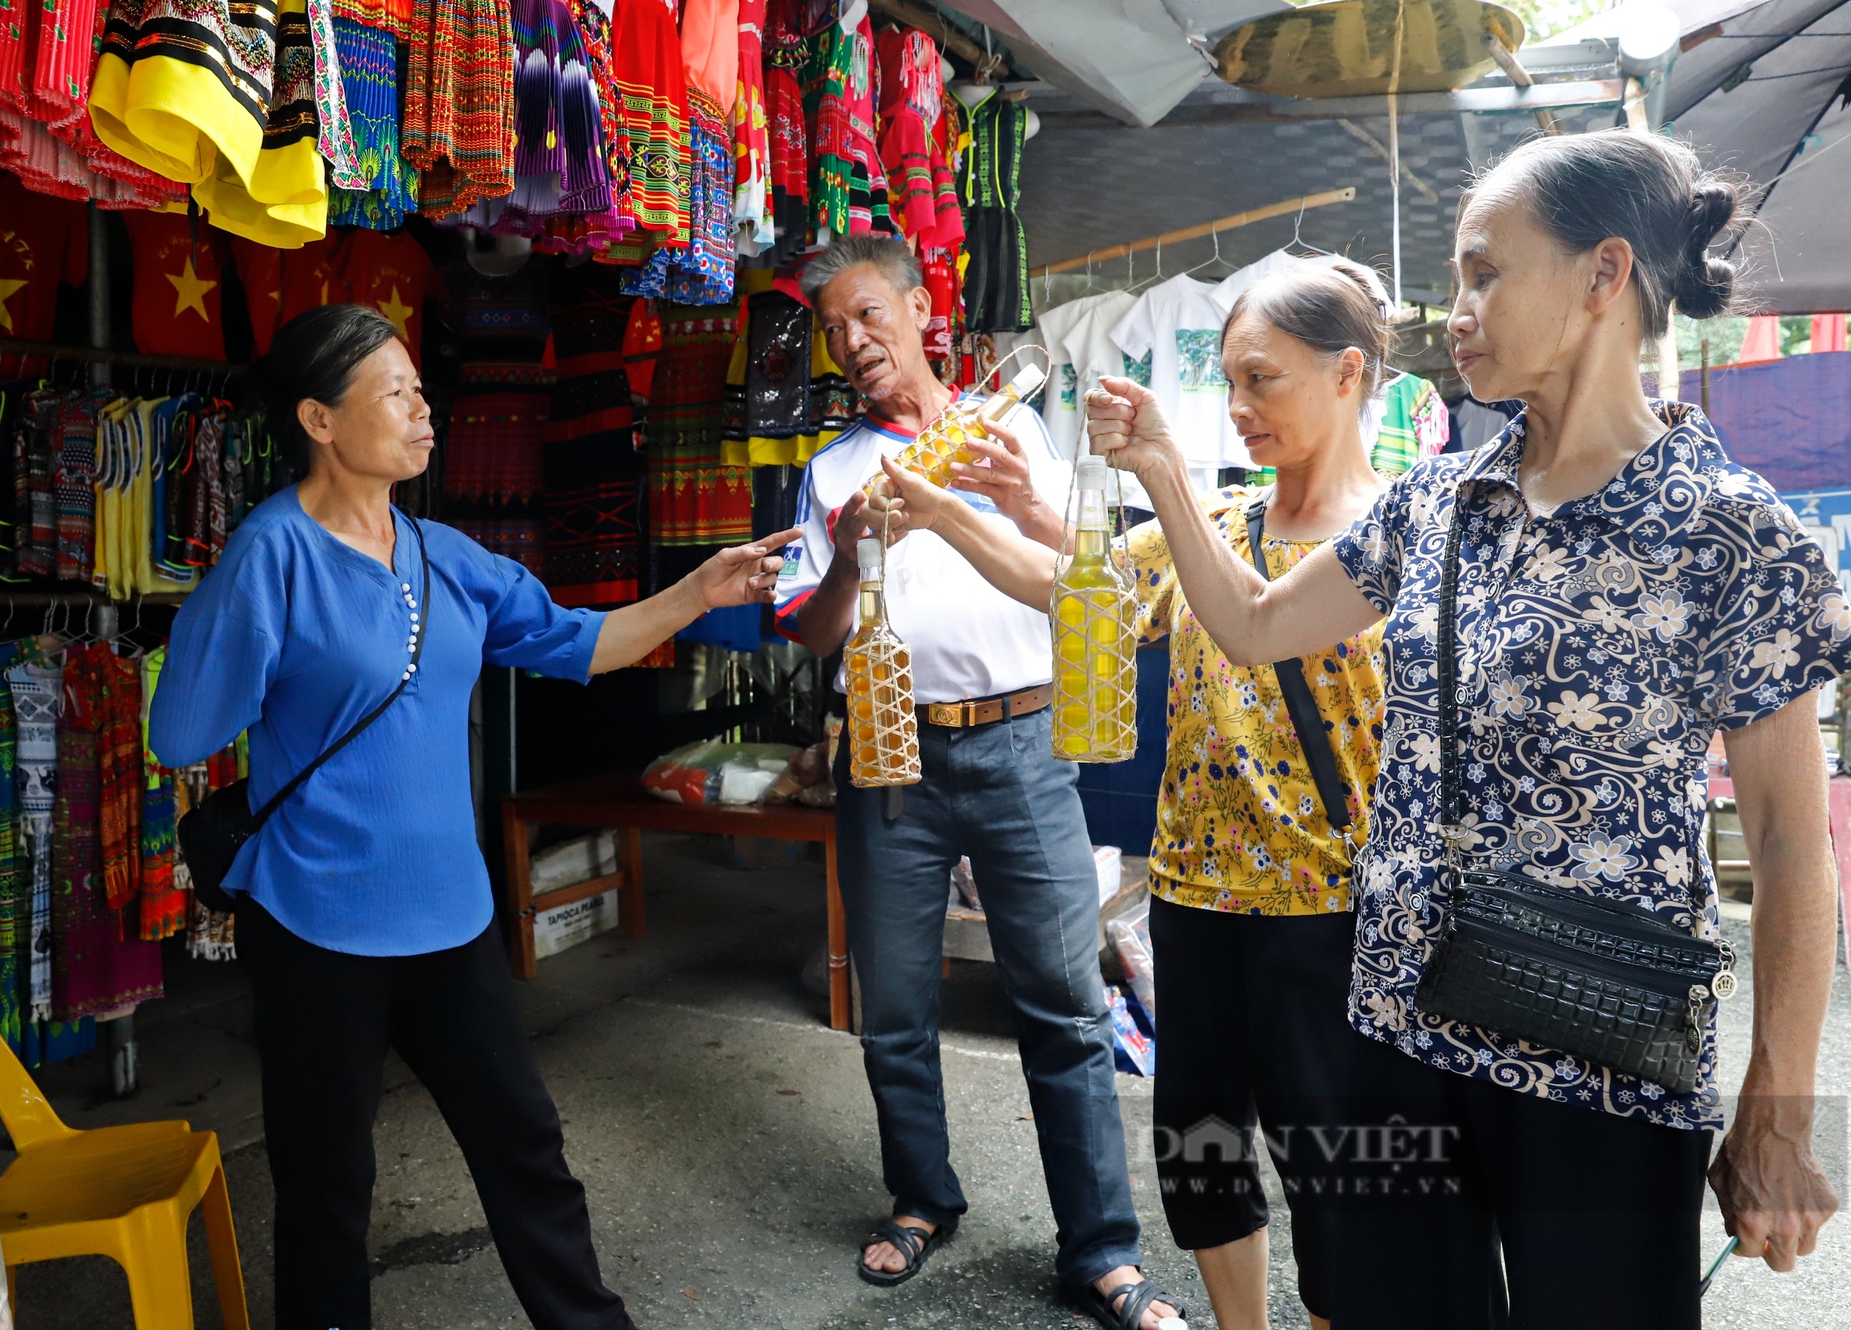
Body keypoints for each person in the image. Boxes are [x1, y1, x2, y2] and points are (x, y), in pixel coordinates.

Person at [1084, 130, 1842, 1326]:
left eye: (1484, 272)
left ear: (1601, 277)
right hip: (1396, 1027)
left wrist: (1776, 1108)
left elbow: (1794, 845)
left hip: (1599, 1051)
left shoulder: (1728, 534)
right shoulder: (1438, 501)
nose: (1457, 312)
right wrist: (1165, 472)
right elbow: (1254, 624)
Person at [150, 304, 797, 1330]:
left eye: (419, 387)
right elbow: (182, 734)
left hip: (451, 919)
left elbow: (578, 641)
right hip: (317, 923)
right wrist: (224, 607)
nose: (422, 410)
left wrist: (692, 592)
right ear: (320, 420)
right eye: (395, 393)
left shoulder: (443, 551)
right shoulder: (270, 554)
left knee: (524, 1150)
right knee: (326, 1187)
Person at [876, 260, 1399, 1330]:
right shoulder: (1225, 518)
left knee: (1337, 1180)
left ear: (1346, 374)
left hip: (1328, 913)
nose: (1239, 406)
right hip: (1194, 902)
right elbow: (1069, 584)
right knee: (1202, 1160)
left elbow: (1258, 614)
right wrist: (956, 511)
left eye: (1262, 380)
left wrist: (1153, 467)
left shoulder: (1397, 538)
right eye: (1231, 381)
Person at [776, 234, 1181, 1330]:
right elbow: (813, 633)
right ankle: (922, 1198)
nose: (851, 341)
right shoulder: (830, 471)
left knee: (1062, 1007)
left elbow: (1075, 585)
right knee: (893, 1007)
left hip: (1019, 745)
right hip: (886, 753)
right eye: (833, 330)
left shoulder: (1009, 431)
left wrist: (1008, 506)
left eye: (867, 315)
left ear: (918, 310)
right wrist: (853, 556)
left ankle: (1097, 1250)